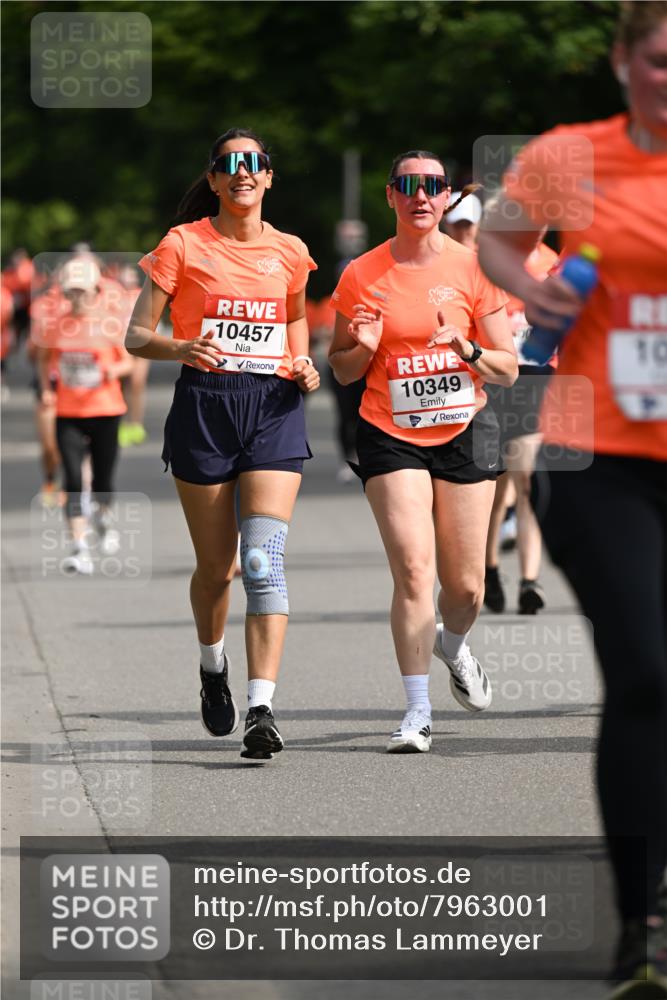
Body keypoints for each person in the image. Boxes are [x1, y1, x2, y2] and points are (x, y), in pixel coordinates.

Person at [477, 3, 667, 992]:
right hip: (606, 456)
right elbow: (499, 243)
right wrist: (531, 286)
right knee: (644, 669)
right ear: (623, 62)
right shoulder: (569, 157)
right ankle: (644, 921)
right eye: (660, 61)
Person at [125, 127, 319, 762]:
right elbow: (135, 335)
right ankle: (213, 665)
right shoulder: (183, 244)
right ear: (213, 178)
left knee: (262, 561)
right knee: (219, 568)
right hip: (205, 406)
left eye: (254, 163)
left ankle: (261, 708)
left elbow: (293, 318)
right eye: (230, 164)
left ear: (268, 177)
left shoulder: (290, 250)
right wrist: (181, 346)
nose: (243, 173)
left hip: (272, 408)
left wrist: (301, 362)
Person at [329, 150, 516, 754]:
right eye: (408, 185)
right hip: (390, 429)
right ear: (390, 196)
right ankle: (416, 711)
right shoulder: (362, 272)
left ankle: (453, 644)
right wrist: (363, 346)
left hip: (464, 428)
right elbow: (341, 367)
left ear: (444, 197)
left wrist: (465, 348)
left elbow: (508, 368)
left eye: (432, 185)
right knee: (413, 570)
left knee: (465, 589)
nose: (420, 195)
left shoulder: (475, 266)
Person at [33, 256, 133, 573]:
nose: (76, 297)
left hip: (106, 409)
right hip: (68, 412)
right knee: (73, 478)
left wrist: (110, 370)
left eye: (82, 291)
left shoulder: (109, 323)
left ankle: (103, 517)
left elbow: (128, 362)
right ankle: (79, 547)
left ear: (96, 291)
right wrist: (47, 388)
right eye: (71, 291)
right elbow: (45, 359)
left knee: (103, 478)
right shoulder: (57, 325)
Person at [483, 233, 559, 614]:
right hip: (495, 380)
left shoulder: (556, 262)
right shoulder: (493, 258)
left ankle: (530, 580)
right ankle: (490, 569)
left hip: (537, 379)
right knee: (498, 490)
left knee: (528, 480)